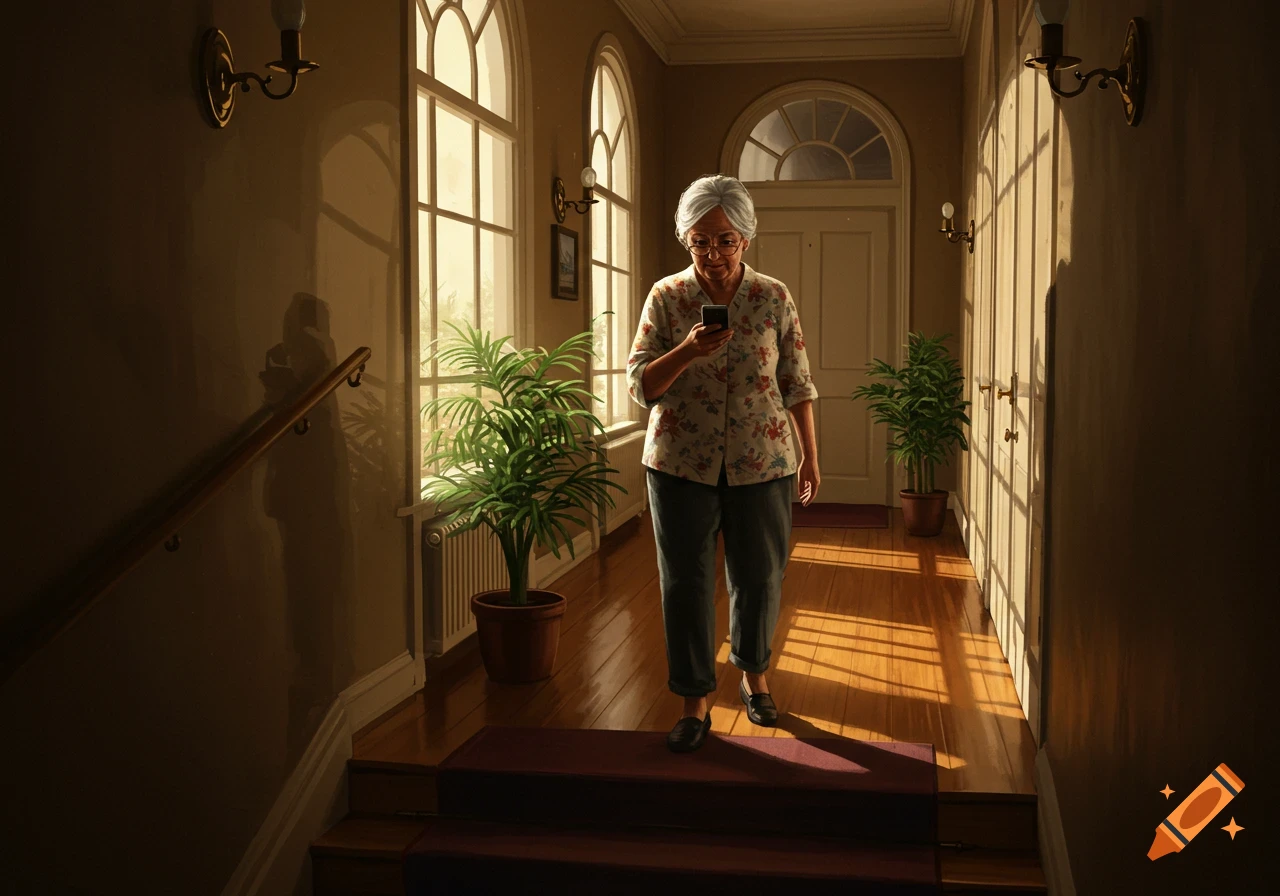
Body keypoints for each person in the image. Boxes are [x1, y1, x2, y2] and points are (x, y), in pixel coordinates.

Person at [626, 174, 820, 753]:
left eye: (725, 240)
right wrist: (687, 349)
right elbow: (640, 386)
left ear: (746, 239)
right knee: (684, 583)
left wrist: (811, 456)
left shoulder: (773, 296)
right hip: (679, 464)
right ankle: (694, 700)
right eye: (700, 241)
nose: (712, 254)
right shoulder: (666, 297)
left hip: (764, 462)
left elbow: (797, 382)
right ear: (686, 239)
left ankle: (755, 677)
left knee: (759, 577)